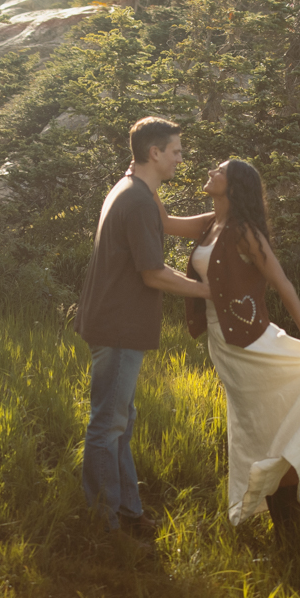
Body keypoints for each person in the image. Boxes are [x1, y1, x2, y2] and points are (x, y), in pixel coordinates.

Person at [74, 116, 213, 540]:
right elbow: (153, 274)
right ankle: (105, 520)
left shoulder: (136, 189)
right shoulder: (136, 200)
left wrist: (229, 212)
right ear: (154, 153)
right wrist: (211, 292)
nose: (180, 159)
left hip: (116, 324)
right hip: (117, 327)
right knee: (108, 424)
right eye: (176, 152)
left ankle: (128, 511)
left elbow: (173, 226)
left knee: (121, 421)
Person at [184, 158, 300, 536]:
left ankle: (289, 524)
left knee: (265, 425)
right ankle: (281, 517)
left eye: (219, 171)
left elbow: (282, 284)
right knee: (250, 426)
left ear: (234, 187)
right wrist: (138, 177)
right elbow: (164, 222)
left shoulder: (245, 231)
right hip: (224, 344)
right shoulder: (208, 224)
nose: (211, 172)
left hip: (252, 342)